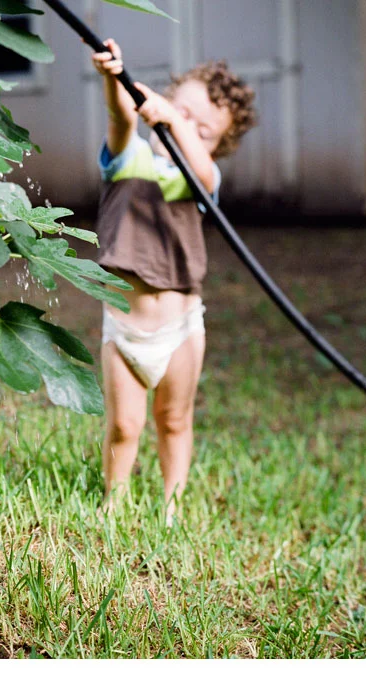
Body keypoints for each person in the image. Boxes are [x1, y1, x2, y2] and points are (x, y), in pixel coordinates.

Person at [90, 39, 257, 525]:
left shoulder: (200, 179)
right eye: (180, 109)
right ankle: (114, 502)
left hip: (181, 326)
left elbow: (204, 174)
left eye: (201, 128)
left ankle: (172, 507)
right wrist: (112, 77)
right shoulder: (129, 159)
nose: (182, 125)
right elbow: (121, 119)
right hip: (124, 328)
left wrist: (177, 122)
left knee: (175, 419)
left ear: (215, 145)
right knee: (124, 424)